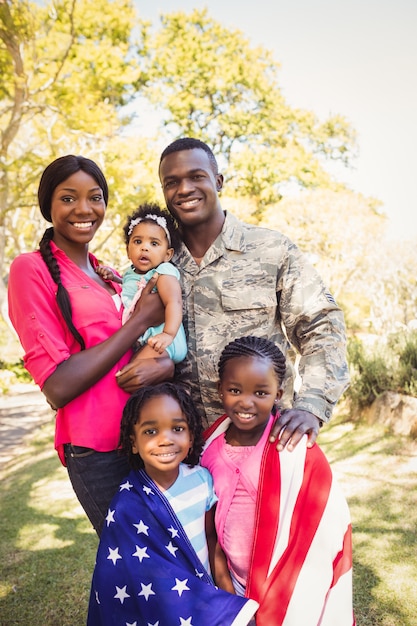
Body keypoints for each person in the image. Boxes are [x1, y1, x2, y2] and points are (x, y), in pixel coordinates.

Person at [148, 136, 350, 451]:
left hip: (266, 443)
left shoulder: (271, 250)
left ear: (218, 181)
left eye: (196, 177)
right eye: (171, 182)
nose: (184, 188)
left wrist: (312, 404)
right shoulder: (155, 265)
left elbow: (320, 326)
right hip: (181, 452)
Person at [7, 155, 172, 536]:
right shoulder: (31, 269)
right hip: (97, 448)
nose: (84, 209)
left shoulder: (111, 275)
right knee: (141, 565)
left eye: (94, 197)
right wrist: (139, 322)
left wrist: (161, 365)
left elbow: (135, 354)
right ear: (47, 205)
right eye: (68, 198)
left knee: (172, 562)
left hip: (146, 435)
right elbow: (57, 386)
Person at [201, 336, 355, 625]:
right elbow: (210, 532)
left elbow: (321, 525)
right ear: (220, 391)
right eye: (235, 390)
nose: (246, 402)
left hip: (287, 584)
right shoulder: (208, 449)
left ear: (278, 394)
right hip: (232, 583)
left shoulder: (292, 450)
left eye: (261, 393)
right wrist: (227, 592)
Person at [87, 382, 259, 626]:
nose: (165, 440)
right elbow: (129, 573)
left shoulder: (202, 480)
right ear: (133, 442)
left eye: (177, 428)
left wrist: (227, 597)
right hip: (164, 603)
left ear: (190, 436)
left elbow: (212, 541)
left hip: (203, 595)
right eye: (150, 432)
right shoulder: (127, 504)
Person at [96, 202, 187, 365]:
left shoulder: (163, 272)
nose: (144, 248)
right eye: (138, 242)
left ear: (167, 254)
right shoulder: (131, 272)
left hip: (165, 341)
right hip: (147, 339)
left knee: (129, 373)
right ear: (127, 250)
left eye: (154, 243)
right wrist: (114, 278)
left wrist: (168, 334)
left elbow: (174, 302)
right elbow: (132, 287)